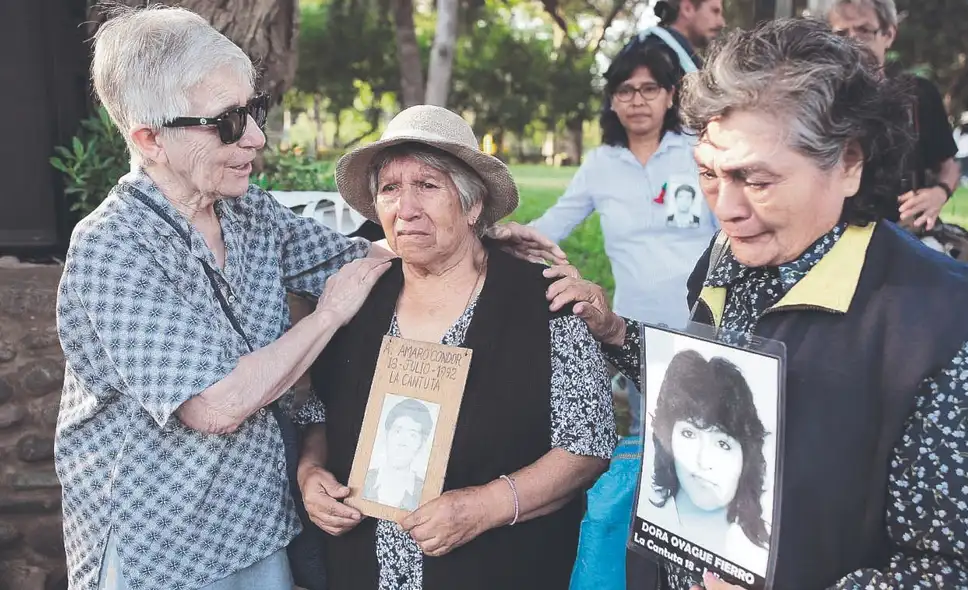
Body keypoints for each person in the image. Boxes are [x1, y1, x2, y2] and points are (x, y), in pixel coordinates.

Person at [544, 17, 968, 590]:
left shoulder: (937, 325)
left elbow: (963, 570)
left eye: (756, 180)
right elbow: (719, 387)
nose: (725, 209)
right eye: (708, 174)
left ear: (850, 163)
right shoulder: (727, 255)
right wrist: (618, 334)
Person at [52, 6, 401, 590]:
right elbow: (213, 406)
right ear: (149, 138)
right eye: (228, 122)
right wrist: (328, 317)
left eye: (254, 111)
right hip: (160, 551)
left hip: (258, 524)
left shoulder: (247, 211)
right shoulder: (111, 246)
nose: (257, 139)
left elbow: (359, 261)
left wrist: (475, 236)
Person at [296, 104, 617, 590]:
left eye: (427, 185)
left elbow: (586, 446)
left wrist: (482, 507)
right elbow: (320, 412)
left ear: (472, 206)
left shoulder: (544, 302)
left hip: (498, 570)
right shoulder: (356, 300)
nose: (406, 208)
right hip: (361, 568)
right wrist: (310, 473)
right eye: (389, 189)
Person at [531, 38, 717, 436]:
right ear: (612, 101)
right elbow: (554, 223)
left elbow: (732, 233)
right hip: (635, 332)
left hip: (705, 324)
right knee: (647, 436)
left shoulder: (700, 152)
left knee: (709, 430)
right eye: (625, 91)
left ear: (670, 96)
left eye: (649, 89)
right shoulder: (601, 164)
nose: (637, 100)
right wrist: (497, 234)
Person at [824, 0, 960, 232]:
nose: (853, 41)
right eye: (841, 33)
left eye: (864, 30)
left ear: (888, 34)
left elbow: (949, 165)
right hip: (834, 238)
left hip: (905, 237)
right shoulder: (818, 98)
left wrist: (939, 193)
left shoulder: (918, 94)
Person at [645, 350, 769, 577]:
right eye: (689, 434)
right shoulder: (648, 521)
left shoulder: (764, 555)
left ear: (747, 454)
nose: (702, 461)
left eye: (722, 443)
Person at [362, 398, 435, 511]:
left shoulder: (426, 490)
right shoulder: (363, 479)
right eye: (397, 431)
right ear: (386, 435)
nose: (402, 443)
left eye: (412, 435)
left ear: (421, 444)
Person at [650, 0, 726, 68]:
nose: (721, 23)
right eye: (715, 11)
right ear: (687, 9)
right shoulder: (658, 55)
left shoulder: (683, 59)